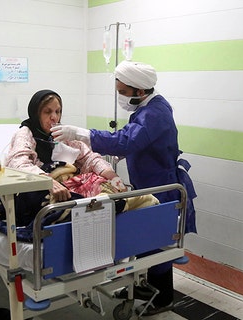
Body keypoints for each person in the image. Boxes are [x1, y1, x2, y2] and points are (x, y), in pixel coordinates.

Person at [52, 61, 197, 315]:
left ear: (139, 91)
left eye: (122, 91)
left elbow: (127, 139)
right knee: (145, 238)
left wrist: (81, 133)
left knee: (156, 241)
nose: (119, 96)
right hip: (147, 183)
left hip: (161, 186)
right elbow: (136, 138)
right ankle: (143, 285)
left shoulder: (155, 112)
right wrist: (124, 153)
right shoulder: (148, 106)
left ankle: (163, 299)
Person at [0, 89, 126, 227]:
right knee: (72, 203)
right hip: (38, 189)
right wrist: (49, 183)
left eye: (58, 111)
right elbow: (19, 164)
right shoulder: (24, 134)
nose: (54, 117)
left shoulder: (62, 133)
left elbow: (89, 158)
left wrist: (113, 177)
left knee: (104, 187)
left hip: (65, 187)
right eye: (47, 112)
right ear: (36, 113)